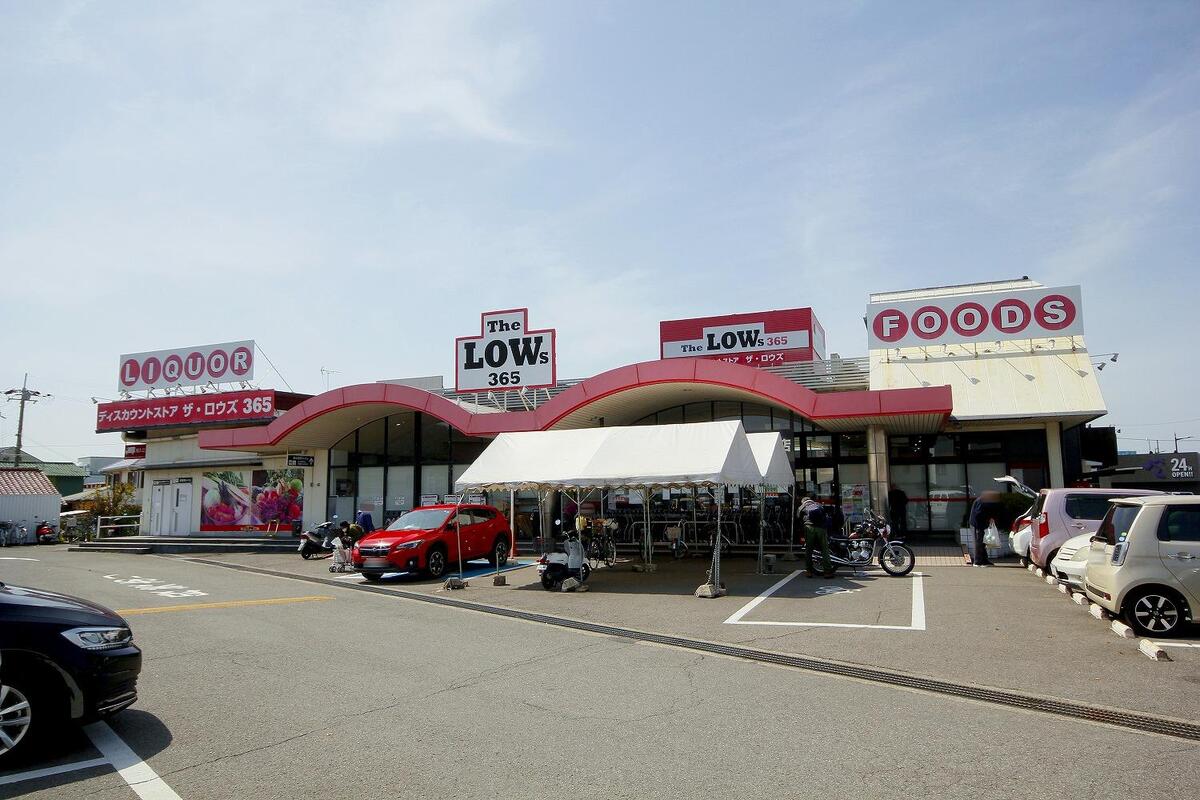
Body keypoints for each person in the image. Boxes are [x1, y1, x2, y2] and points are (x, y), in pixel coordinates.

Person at [800, 494, 833, 578]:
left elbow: (798, 518)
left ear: (803, 502)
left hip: (809, 528)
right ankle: (827, 572)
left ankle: (809, 571)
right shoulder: (818, 505)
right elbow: (825, 515)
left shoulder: (802, 507)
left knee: (809, 550)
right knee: (824, 549)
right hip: (821, 528)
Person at [968, 490, 1002, 566]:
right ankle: (977, 561)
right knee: (979, 542)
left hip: (980, 524)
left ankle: (984, 560)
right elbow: (978, 514)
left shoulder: (984, 501)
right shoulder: (982, 502)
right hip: (977, 524)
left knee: (982, 542)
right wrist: (989, 518)